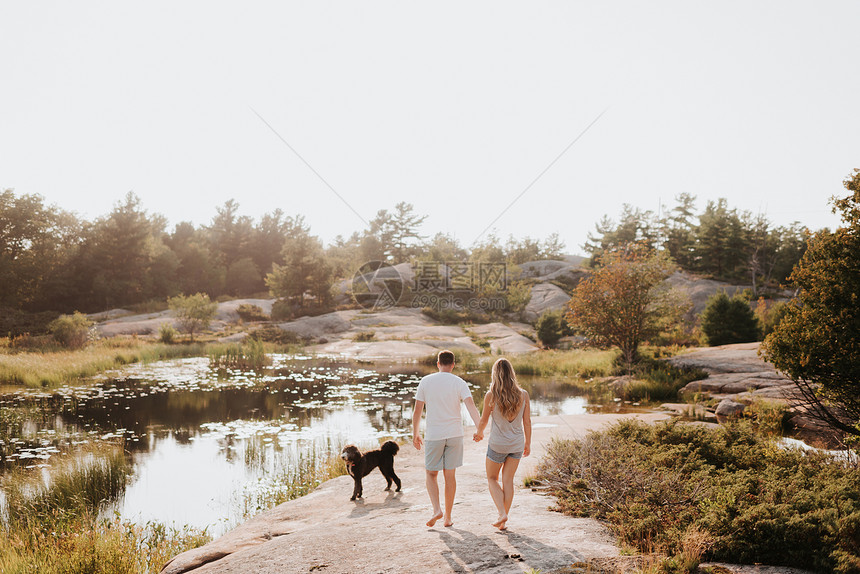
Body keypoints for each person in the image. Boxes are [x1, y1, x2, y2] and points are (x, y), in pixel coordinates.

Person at [412, 349, 480, 527]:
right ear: (453, 364)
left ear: (438, 364)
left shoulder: (426, 381)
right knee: (450, 475)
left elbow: (417, 410)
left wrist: (415, 433)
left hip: (434, 435)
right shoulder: (459, 382)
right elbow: (471, 406)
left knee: (431, 473)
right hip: (455, 434)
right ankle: (448, 517)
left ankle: (437, 509)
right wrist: (479, 428)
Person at [473, 357, 531, 530]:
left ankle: (501, 513)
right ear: (511, 373)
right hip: (516, 444)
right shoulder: (524, 394)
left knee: (491, 478)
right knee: (508, 480)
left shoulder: (491, 395)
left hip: (498, 444)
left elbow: (483, 420)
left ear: (495, 374)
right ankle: (503, 521)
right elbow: (527, 422)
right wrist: (528, 443)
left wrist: (479, 433)